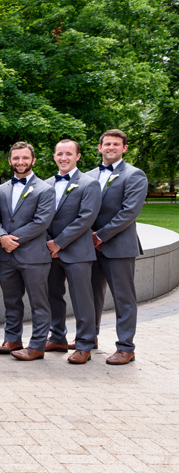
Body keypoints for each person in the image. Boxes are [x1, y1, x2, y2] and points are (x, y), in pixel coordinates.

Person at [85, 129, 148, 365]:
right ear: (100, 147)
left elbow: (129, 213)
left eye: (116, 144)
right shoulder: (88, 175)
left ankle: (126, 347)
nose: (111, 147)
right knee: (90, 296)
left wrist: (100, 236)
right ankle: (89, 339)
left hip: (118, 246)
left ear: (124, 148)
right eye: (107, 144)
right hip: (88, 248)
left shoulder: (135, 175)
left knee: (124, 298)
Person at [0, 142, 56, 361]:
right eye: (16, 158)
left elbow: (41, 222)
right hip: (6, 257)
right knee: (11, 301)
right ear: (10, 161)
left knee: (39, 303)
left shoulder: (45, 189)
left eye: (25, 158)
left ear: (33, 160)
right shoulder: (0, 190)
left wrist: (12, 239)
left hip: (34, 256)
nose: (20, 162)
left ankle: (37, 346)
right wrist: (1, 236)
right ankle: (12, 339)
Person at [44, 139, 101, 364]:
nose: (63, 157)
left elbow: (86, 219)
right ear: (54, 156)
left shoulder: (89, 184)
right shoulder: (46, 183)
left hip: (77, 251)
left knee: (81, 299)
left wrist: (59, 243)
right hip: (49, 251)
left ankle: (85, 343)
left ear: (78, 156)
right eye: (59, 153)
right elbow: (41, 217)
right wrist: (48, 242)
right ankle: (57, 336)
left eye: (69, 153)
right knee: (53, 296)